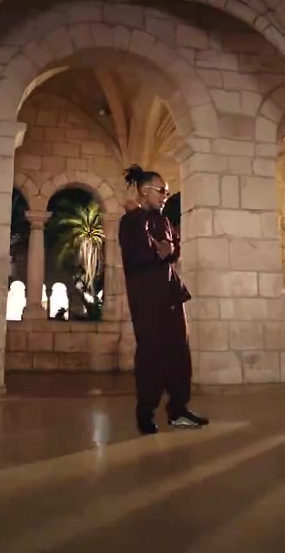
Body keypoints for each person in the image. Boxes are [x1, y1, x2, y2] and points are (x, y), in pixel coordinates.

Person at [119, 164, 208, 434]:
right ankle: (145, 413)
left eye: (167, 192)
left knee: (179, 354)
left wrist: (166, 249)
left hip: (172, 295)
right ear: (144, 191)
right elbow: (141, 255)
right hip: (148, 301)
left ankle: (178, 410)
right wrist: (159, 248)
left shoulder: (164, 221)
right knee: (151, 356)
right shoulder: (131, 221)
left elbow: (173, 250)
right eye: (161, 191)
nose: (165, 196)